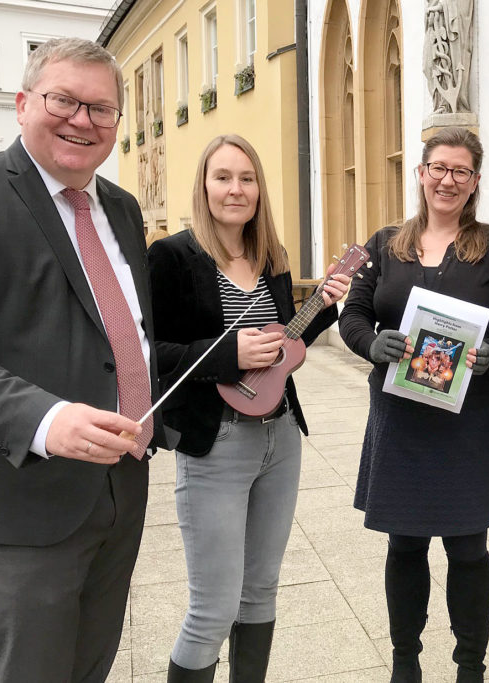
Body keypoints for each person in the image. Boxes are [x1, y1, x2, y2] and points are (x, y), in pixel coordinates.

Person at [0, 38, 163, 682]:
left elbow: (119, 332)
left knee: (88, 669)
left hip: (118, 489)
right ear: (22, 104)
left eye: (102, 109)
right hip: (17, 505)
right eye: (64, 100)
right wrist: (46, 420)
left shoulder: (123, 208)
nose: (83, 120)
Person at [147, 134, 348, 683]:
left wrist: (325, 308)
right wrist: (227, 354)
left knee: (260, 592)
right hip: (216, 443)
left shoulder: (271, 259)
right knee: (212, 607)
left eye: (247, 178)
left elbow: (286, 341)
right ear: (204, 186)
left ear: (259, 189)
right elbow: (149, 353)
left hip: (280, 438)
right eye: (223, 177)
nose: (236, 189)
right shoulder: (173, 256)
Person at [339, 126, 489, 682]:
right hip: (402, 420)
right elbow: (353, 315)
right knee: (406, 545)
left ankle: (471, 667)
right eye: (438, 168)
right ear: (420, 174)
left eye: (460, 171)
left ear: (474, 182)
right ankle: (405, 664)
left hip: (468, 421)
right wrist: (372, 343)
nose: (447, 180)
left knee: (469, 548)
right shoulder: (384, 244)